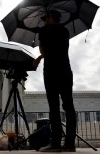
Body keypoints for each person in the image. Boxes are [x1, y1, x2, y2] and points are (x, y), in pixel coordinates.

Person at [33, 10, 77, 152]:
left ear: (51, 17)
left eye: (46, 18)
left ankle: (56, 143)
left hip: (51, 71)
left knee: (54, 108)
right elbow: (60, 49)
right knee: (69, 106)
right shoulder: (65, 31)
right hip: (65, 70)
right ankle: (70, 144)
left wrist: (39, 57)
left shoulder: (44, 30)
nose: (45, 20)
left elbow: (43, 50)